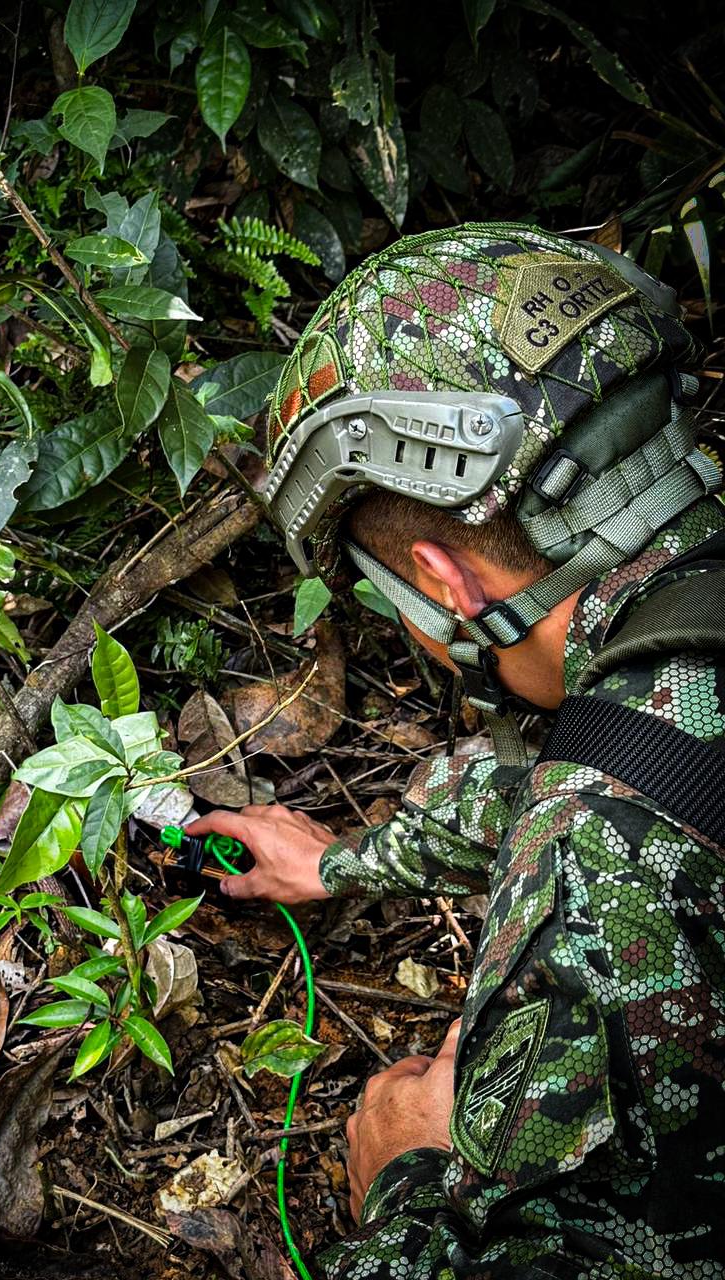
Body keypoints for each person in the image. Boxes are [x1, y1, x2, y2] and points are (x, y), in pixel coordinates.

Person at [185, 223, 725, 1278]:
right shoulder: (676, 632)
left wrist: (407, 1181)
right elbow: (631, 749)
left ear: (445, 582)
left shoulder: (600, 865)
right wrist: (340, 862)